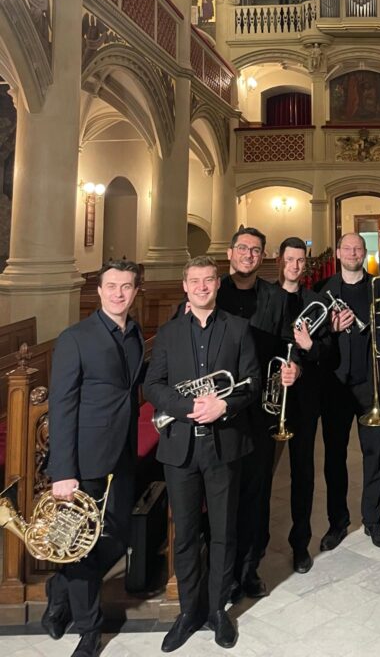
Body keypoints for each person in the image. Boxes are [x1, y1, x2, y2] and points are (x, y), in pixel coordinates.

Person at [144, 256, 258, 653]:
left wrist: (224, 405)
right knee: (186, 534)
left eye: (209, 280)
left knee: (224, 532)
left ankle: (217, 610)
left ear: (217, 284)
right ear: (185, 286)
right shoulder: (169, 332)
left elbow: (252, 382)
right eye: (195, 281)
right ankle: (188, 611)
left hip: (224, 444)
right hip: (181, 447)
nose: (202, 287)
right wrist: (187, 407)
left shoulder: (239, 328)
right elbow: (153, 385)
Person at [43, 260, 145, 657]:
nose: (119, 293)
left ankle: (60, 586)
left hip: (123, 454)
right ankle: (89, 629)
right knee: (80, 543)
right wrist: (62, 471)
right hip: (83, 459)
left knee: (117, 537)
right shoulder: (75, 338)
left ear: (135, 291)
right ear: (99, 291)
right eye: (112, 286)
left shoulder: (135, 333)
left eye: (126, 286)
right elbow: (62, 407)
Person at [216, 226, 296, 599]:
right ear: (230, 252)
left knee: (256, 492)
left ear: (263, 257)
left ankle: (249, 568)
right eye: (243, 248)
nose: (249, 255)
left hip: (259, 411)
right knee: (222, 493)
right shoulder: (212, 291)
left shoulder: (276, 297)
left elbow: (286, 345)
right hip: (219, 411)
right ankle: (221, 570)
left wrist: (293, 368)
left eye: (256, 250)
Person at [318, 232, 380, 551]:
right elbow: (314, 339)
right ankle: (337, 522)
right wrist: (331, 328)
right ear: (337, 253)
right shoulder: (323, 290)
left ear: (365, 252)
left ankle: (373, 520)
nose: (352, 252)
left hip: (370, 382)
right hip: (335, 385)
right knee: (334, 456)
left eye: (358, 248)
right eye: (346, 248)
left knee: (375, 454)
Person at [276, 236, 337, 572]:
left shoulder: (316, 302)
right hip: (269, 398)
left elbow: (328, 352)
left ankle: (300, 543)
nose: (295, 266)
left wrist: (309, 348)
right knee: (259, 475)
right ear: (280, 261)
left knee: (302, 471)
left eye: (301, 261)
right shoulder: (265, 297)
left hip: (303, 399)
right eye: (290, 260)